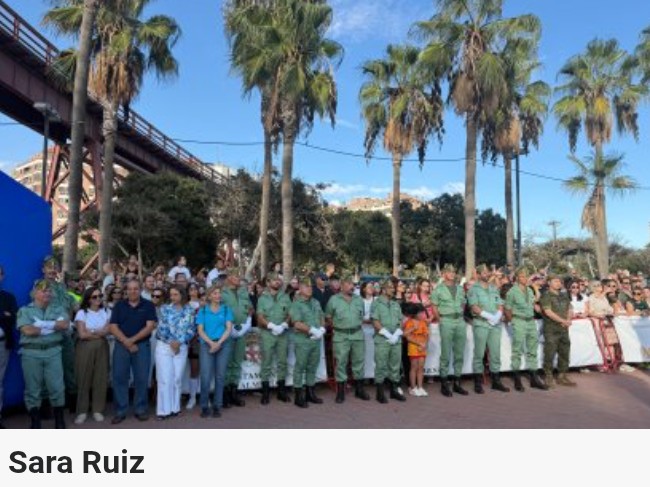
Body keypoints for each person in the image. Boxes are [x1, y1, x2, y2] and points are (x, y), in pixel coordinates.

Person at [17, 280, 71, 428]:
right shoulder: (25, 310)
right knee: (33, 388)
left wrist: (41, 324)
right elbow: (28, 330)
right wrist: (54, 326)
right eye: (43, 290)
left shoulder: (58, 309)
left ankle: (59, 420)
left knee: (57, 387)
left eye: (49, 290)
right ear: (34, 293)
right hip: (31, 353)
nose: (47, 293)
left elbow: (65, 324)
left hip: (53, 351)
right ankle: (35, 422)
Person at [108, 279, 157, 424]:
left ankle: (140, 409)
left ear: (140, 290)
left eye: (136, 288)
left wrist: (132, 340)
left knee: (141, 378)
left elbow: (150, 326)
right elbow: (113, 327)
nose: (132, 291)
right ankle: (120, 410)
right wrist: (126, 342)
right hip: (121, 346)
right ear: (126, 291)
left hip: (141, 346)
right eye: (130, 289)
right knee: (119, 378)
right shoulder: (119, 306)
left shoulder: (148, 305)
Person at [325, 273, 369, 403]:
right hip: (341, 335)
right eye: (349, 284)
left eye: (353, 284)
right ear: (342, 285)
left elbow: (361, 316)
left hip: (357, 334)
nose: (352, 287)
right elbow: (328, 317)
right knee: (341, 362)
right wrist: (339, 326)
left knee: (358, 361)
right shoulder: (334, 300)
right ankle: (341, 391)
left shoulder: (358, 300)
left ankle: (359, 389)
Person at [42, 256, 78, 412]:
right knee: (49, 369)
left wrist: (70, 318)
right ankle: (47, 404)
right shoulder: (40, 285)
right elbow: (40, 305)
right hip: (50, 333)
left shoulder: (61, 287)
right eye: (49, 267)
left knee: (69, 366)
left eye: (55, 266)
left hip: (66, 332)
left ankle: (72, 400)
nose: (52, 269)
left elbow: (70, 303)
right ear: (43, 269)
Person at [155, 286, 196, 420]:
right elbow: (161, 329)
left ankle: (175, 408)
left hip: (181, 347)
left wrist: (179, 342)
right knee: (165, 379)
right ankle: (163, 411)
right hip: (164, 346)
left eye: (175, 294)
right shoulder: (164, 309)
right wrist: (172, 343)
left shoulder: (190, 310)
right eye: (171, 294)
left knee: (177, 378)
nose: (172, 297)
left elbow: (191, 329)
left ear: (182, 295)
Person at [505, 267, 548, 392]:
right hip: (518, 320)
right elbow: (507, 309)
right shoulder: (512, 292)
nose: (524, 278)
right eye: (522, 276)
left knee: (532, 350)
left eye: (526, 276)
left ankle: (534, 378)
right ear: (517, 278)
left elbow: (534, 303)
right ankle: (517, 378)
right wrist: (511, 321)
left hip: (530, 321)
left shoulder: (529, 290)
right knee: (517, 350)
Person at [468, 264, 509, 394]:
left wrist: (497, 316)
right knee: (479, 354)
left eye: (487, 272)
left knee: (495, 353)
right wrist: (490, 317)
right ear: (478, 274)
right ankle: (478, 382)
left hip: (495, 325)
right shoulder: (473, 289)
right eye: (484, 272)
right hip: (481, 324)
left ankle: (496, 381)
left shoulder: (493, 288)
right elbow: (474, 307)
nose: (487, 274)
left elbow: (500, 304)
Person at [73, 287, 110, 424]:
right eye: (94, 297)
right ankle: (82, 411)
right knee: (83, 377)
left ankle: (97, 410)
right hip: (84, 348)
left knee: (100, 377)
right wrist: (97, 332)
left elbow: (107, 330)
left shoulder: (106, 312)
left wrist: (91, 331)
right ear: (88, 299)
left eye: (100, 296)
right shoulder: (82, 313)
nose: (98, 299)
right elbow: (82, 334)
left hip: (102, 347)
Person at [430, 264, 467, 397]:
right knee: (446, 352)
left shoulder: (460, 289)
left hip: (459, 321)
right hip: (446, 320)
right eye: (449, 272)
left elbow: (463, 303)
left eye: (453, 272)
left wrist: (460, 314)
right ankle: (444, 383)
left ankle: (457, 382)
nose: (452, 274)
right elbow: (434, 307)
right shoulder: (438, 290)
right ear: (444, 274)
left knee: (459, 353)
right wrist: (440, 320)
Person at [196, 284, 233, 418]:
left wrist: (219, 343)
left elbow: (228, 328)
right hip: (207, 345)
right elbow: (200, 330)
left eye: (219, 293)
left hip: (223, 344)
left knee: (220, 376)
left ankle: (217, 405)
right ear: (209, 296)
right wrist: (212, 343)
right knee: (205, 376)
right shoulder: (203, 311)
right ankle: (204, 406)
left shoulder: (226, 309)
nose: (218, 295)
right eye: (215, 293)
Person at [256, 272, 292, 405]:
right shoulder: (262, 298)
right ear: (268, 282)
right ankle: (265, 393)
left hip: (283, 333)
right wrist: (271, 326)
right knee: (266, 362)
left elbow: (290, 314)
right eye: (274, 280)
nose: (277, 282)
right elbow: (260, 317)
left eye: (279, 280)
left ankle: (281, 391)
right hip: (267, 334)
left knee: (282, 362)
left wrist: (284, 325)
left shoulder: (285, 297)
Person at [289, 277, 326, 407]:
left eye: (311, 286)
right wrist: (312, 330)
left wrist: (321, 329)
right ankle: (298, 395)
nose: (309, 289)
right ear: (300, 288)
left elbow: (321, 316)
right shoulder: (296, 304)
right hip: (303, 340)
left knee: (312, 367)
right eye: (306, 286)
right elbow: (297, 323)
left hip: (316, 340)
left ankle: (310, 393)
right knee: (300, 367)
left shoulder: (315, 302)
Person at [221, 271, 253, 407]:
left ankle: (234, 392)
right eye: (235, 276)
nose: (238, 279)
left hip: (242, 331)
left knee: (237, 362)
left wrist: (247, 323)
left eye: (239, 276)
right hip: (226, 332)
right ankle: (224, 394)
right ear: (229, 278)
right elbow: (218, 310)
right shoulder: (222, 292)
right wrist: (228, 326)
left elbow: (250, 308)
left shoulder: (243, 292)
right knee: (227, 363)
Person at [371, 280, 406, 403]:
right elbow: (375, 321)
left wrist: (396, 334)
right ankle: (379, 393)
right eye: (390, 287)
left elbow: (401, 320)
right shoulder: (376, 303)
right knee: (381, 365)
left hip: (396, 339)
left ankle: (393, 391)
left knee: (395, 365)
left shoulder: (395, 304)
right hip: (382, 340)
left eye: (393, 287)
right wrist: (387, 334)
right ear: (384, 289)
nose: (393, 289)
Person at [541, 275, 576, 387]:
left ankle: (562, 375)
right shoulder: (546, 295)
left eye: (560, 281)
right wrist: (563, 321)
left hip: (563, 329)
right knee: (549, 353)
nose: (558, 283)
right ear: (549, 283)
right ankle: (548, 376)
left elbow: (570, 308)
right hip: (551, 329)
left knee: (564, 352)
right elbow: (548, 312)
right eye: (555, 281)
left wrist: (568, 320)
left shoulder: (564, 295)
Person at [0, 265, 18, 428]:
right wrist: (3, 314)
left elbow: (14, 318)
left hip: (2, 343)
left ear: (2, 276)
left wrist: (6, 315)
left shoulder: (8, 297)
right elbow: (6, 316)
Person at [402, 302, 429, 397]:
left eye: (423, 312)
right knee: (414, 367)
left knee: (421, 367)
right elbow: (407, 336)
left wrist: (424, 344)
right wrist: (419, 343)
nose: (422, 315)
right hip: (413, 348)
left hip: (422, 348)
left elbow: (426, 335)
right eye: (420, 313)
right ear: (415, 313)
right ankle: (413, 388)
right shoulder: (409, 322)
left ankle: (420, 387)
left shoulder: (423, 323)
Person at [185, 283, 202, 410]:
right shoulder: (185, 305)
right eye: (191, 289)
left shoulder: (204, 304)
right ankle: (192, 397)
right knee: (194, 369)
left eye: (195, 289)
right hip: (191, 341)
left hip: (204, 340)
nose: (193, 291)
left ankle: (204, 396)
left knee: (205, 369)